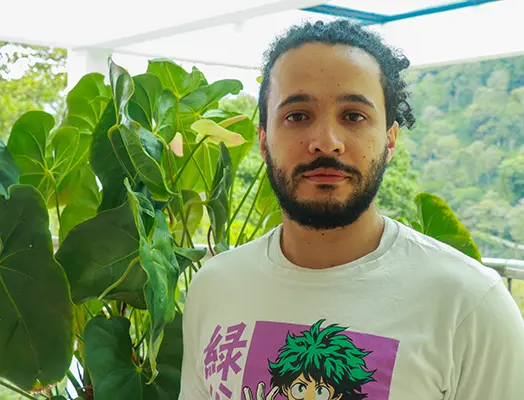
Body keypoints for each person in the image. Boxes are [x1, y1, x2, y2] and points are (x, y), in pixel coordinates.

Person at [178, 19, 524, 400]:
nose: (326, 142)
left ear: (390, 140)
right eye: (297, 116)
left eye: (354, 116)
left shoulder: (470, 308)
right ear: (263, 140)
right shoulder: (214, 288)